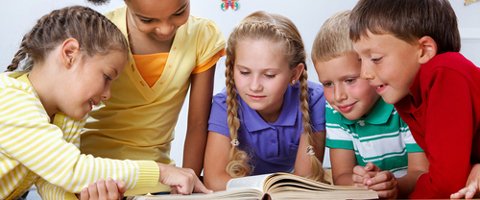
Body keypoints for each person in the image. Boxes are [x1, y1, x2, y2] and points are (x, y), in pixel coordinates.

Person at [0, 6, 209, 200]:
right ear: (70, 53)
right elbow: (72, 170)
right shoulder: (10, 100)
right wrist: (161, 172)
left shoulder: (65, 117)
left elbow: (54, 186)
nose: (108, 94)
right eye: (107, 77)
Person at [81, 0, 226, 194]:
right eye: (147, 19)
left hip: (158, 177)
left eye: (179, 11)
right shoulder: (99, 32)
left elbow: (198, 123)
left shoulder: (201, 36)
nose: (165, 29)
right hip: (95, 173)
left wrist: (185, 184)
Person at [349, 0, 480, 198]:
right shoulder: (408, 97)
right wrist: (395, 187)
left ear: (424, 50)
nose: (365, 73)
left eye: (375, 58)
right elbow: (447, 175)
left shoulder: (446, 73)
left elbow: (447, 184)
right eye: (361, 60)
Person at [203, 11, 327, 191]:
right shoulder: (224, 105)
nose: (254, 86)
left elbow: (305, 179)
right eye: (244, 72)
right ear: (232, 68)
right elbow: (214, 180)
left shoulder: (314, 99)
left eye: (269, 75)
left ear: (295, 74)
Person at [311, 10, 428, 199]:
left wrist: (394, 186)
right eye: (328, 84)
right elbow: (341, 176)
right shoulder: (334, 110)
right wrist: (359, 182)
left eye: (350, 80)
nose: (339, 96)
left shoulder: (402, 105)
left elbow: (421, 172)